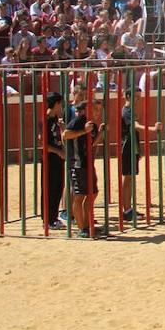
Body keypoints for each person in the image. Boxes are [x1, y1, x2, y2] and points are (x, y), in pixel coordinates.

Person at [61, 84, 104, 237]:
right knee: (80, 196)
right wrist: (83, 131)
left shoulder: (92, 124)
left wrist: (99, 134)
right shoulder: (79, 121)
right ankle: (81, 228)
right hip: (78, 163)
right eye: (96, 109)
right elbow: (65, 135)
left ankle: (87, 224)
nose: (98, 112)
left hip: (87, 163)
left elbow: (91, 144)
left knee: (92, 193)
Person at [118, 91, 161, 222]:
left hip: (132, 147)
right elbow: (135, 126)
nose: (137, 99)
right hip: (127, 147)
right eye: (135, 97)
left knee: (130, 178)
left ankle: (128, 208)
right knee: (128, 178)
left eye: (138, 97)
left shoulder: (130, 110)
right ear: (128, 96)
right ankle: (126, 209)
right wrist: (152, 129)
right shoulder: (126, 111)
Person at [42, 91, 67, 231]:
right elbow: (42, 142)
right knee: (49, 188)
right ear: (56, 103)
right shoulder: (45, 119)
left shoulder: (56, 119)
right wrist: (58, 151)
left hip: (58, 158)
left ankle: (53, 217)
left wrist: (62, 128)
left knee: (58, 187)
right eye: (60, 104)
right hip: (50, 158)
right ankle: (48, 219)